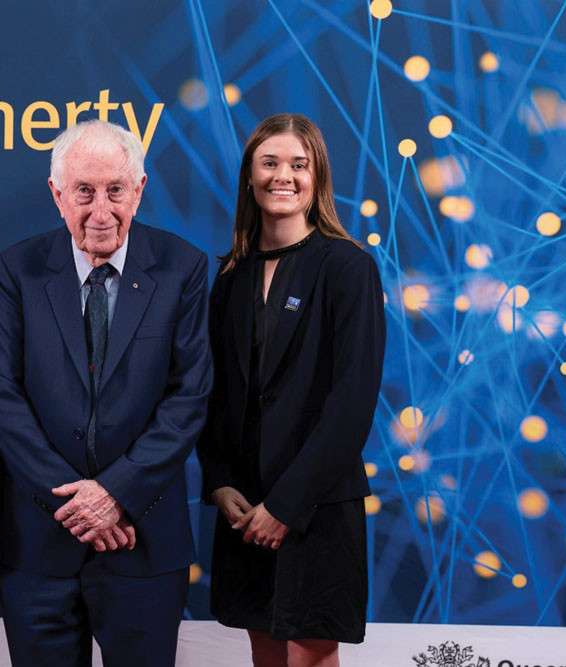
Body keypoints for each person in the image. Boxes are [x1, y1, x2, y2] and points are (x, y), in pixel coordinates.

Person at [0, 119, 213, 667]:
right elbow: (2, 393)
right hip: (41, 540)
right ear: (57, 194)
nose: (102, 210)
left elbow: (189, 395)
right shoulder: (19, 269)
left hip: (143, 538)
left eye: (116, 190)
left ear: (139, 189)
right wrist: (78, 502)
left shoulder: (184, 268)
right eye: (84, 191)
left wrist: (116, 493)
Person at [197, 113, 385, 667]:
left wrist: (286, 505)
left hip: (315, 506)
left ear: (317, 177)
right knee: (266, 654)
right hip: (245, 507)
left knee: (309, 653)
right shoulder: (229, 277)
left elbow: (352, 403)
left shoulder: (348, 267)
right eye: (270, 162)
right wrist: (219, 483)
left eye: (298, 165)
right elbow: (215, 394)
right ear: (250, 178)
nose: (284, 175)